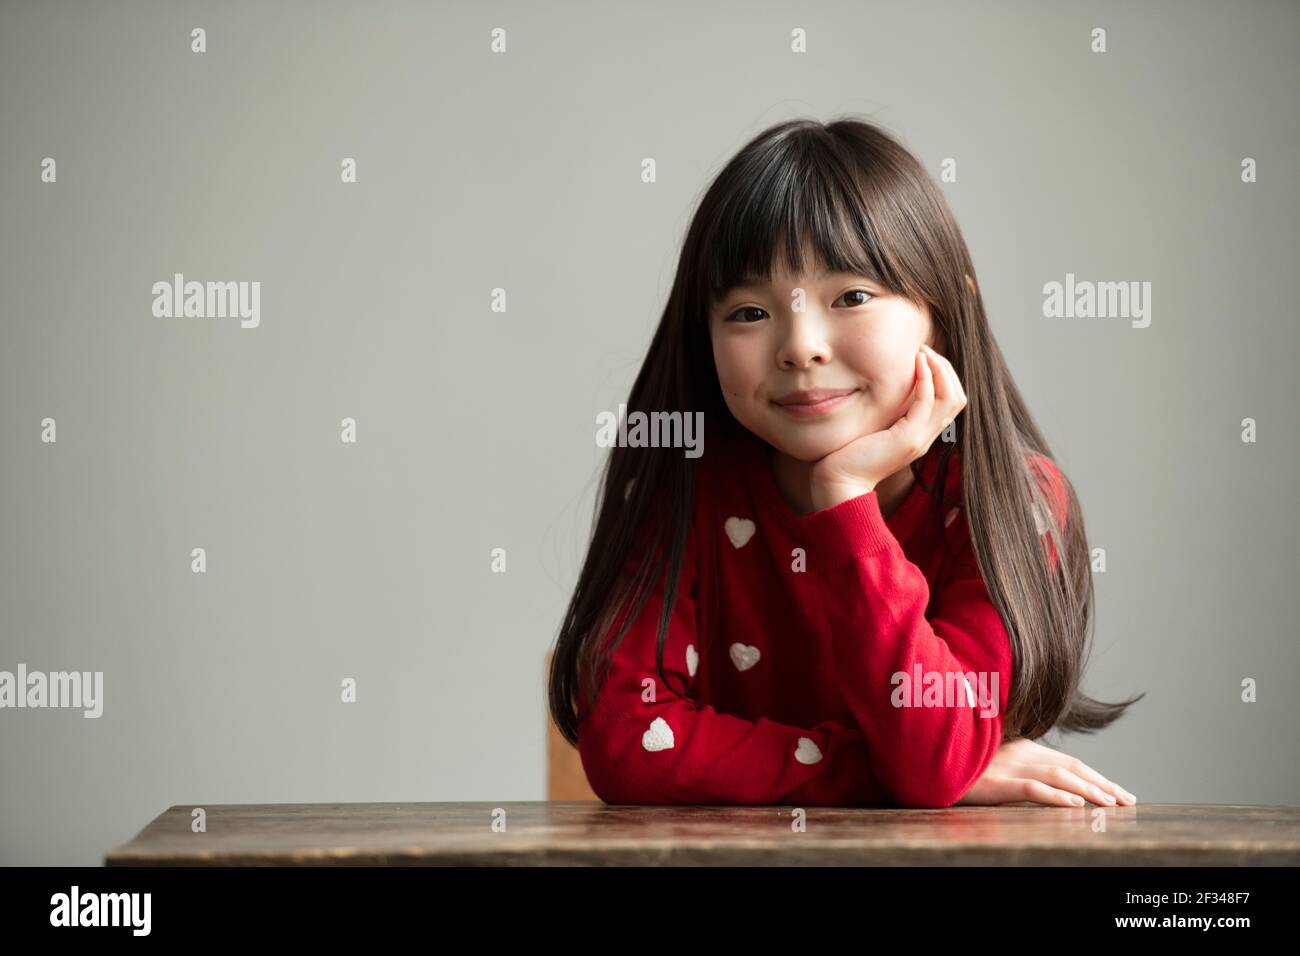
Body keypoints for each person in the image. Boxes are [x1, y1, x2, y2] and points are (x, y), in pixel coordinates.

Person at [548, 117, 1142, 808]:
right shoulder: (689, 479)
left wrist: (844, 500)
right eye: (747, 312)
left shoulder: (1010, 499)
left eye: (852, 297)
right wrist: (874, 771)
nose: (801, 346)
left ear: (944, 313)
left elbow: (930, 756)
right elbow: (628, 743)